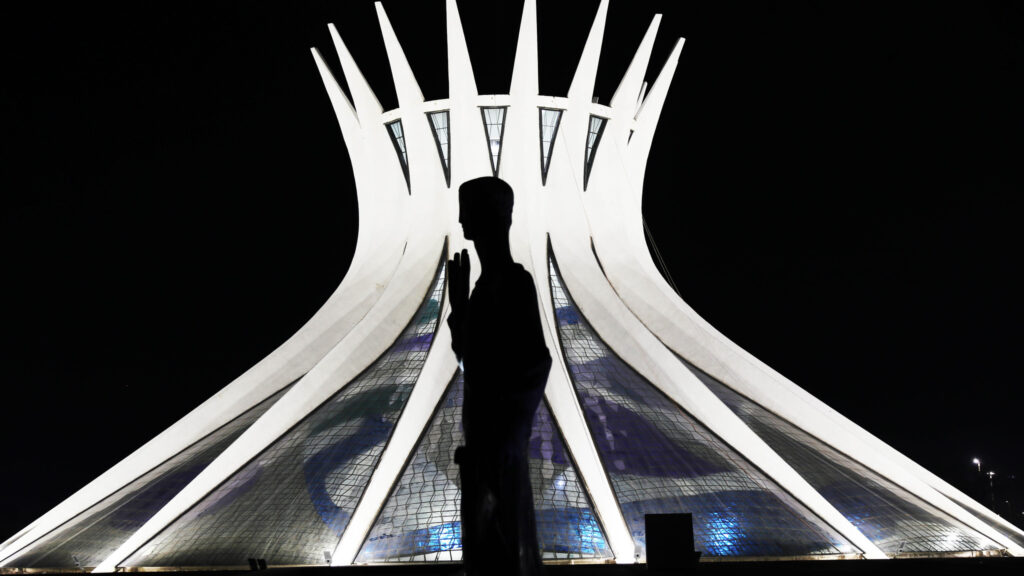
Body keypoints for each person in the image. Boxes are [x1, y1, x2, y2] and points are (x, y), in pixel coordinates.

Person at [447, 177, 551, 576]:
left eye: (467, 212)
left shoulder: (515, 285)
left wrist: (505, 428)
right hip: (482, 448)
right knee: (484, 544)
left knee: (503, 541)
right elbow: (469, 363)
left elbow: (535, 364)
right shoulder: (481, 290)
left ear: (492, 218)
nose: (460, 223)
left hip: (501, 446)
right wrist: (460, 311)